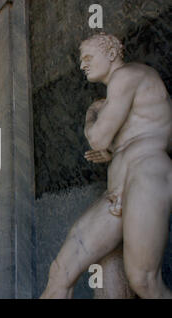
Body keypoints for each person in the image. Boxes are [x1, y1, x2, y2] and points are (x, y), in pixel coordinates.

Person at [41, 33, 172, 299]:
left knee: (144, 280)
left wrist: (91, 114)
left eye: (88, 57)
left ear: (111, 54)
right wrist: (114, 152)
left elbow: (98, 137)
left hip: (146, 178)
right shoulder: (129, 89)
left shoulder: (127, 75)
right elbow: (130, 137)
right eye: (81, 60)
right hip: (117, 188)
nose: (82, 65)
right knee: (61, 270)